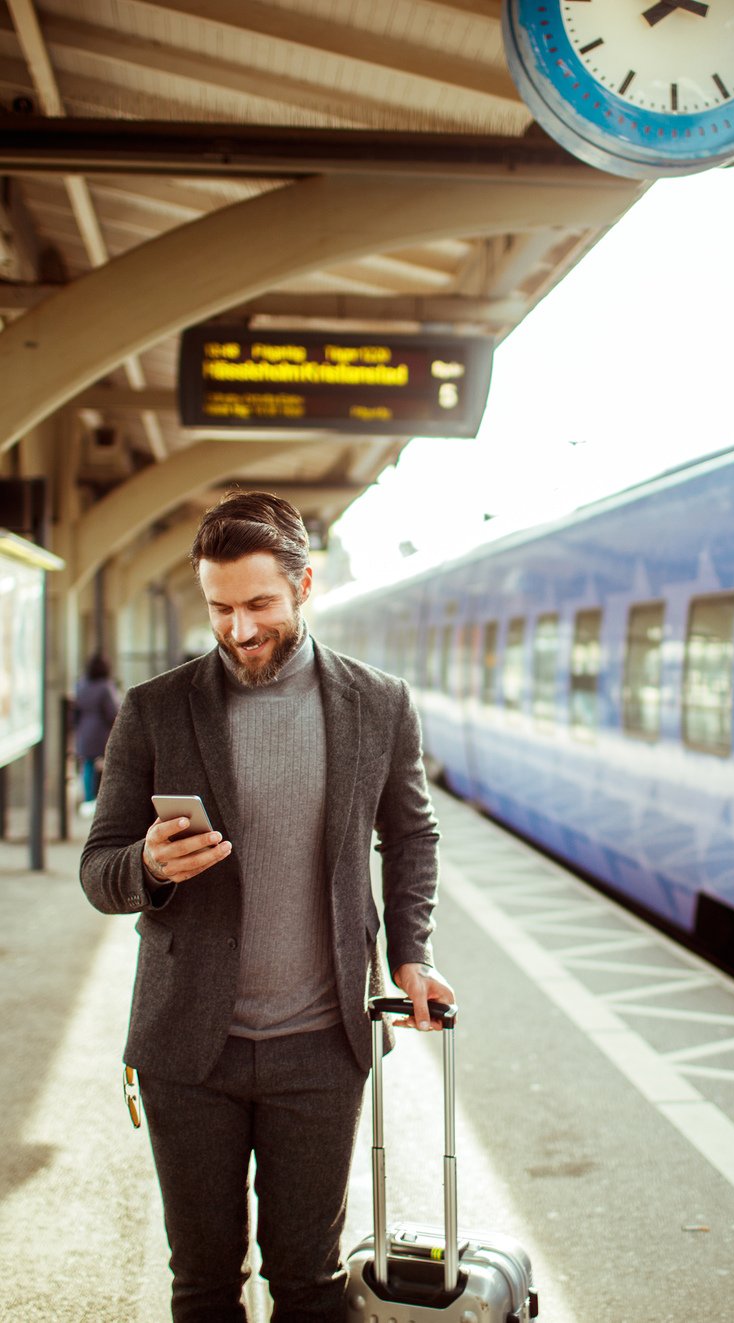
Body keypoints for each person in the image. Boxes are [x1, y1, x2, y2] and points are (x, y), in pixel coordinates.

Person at [80, 490, 453, 1323]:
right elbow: (98, 870)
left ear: (305, 584)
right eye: (220, 608)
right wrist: (146, 864)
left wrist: (411, 953)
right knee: (205, 1282)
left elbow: (412, 835)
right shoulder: (155, 709)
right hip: (188, 1053)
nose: (240, 629)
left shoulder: (377, 703)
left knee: (309, 1281)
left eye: (259, 605)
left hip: (322, 1049)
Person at [74, 652, 121, 815]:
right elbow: (113, 712)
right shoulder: (105, 686)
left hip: (84, 729)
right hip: (101, 731)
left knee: (87, 765)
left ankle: (87, 800)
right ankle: (103, 801)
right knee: (105, 765)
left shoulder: (81, 684)